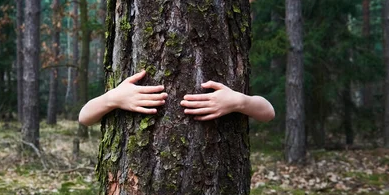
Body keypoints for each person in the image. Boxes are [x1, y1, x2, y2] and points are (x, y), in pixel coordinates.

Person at [78, 70, 275, 126]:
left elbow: (268, 113)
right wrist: (112, 98)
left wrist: (239, 101)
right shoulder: (118, 94)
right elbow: (84, 117)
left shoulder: (233, 92)